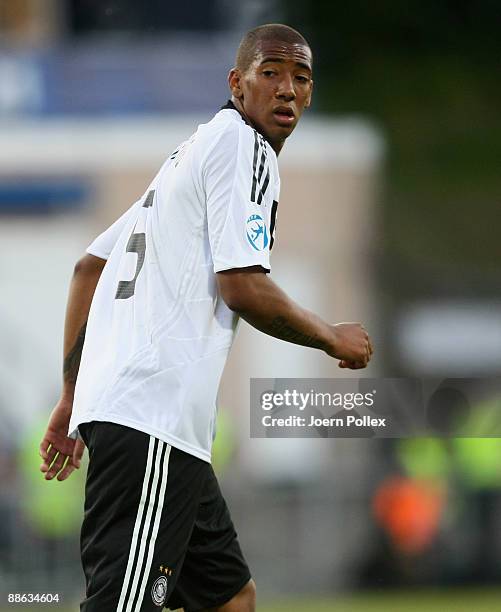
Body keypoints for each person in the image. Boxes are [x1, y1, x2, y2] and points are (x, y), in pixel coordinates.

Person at [40, 23, 373, 612]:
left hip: (166, 431)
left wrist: (73, 396)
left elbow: (89, 268)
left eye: (301, 77)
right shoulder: (243, 148)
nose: (288, 89)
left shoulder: (190, 156)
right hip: (152, 420)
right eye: (270, 73)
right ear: (236, 83)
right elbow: (243, 285)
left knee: (230, 598)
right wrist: (330, 336)